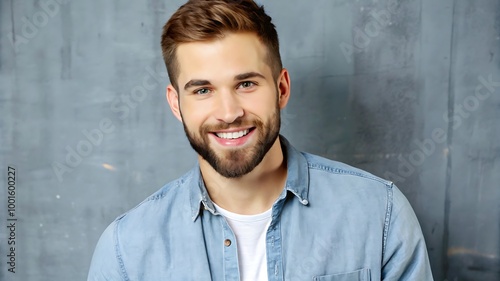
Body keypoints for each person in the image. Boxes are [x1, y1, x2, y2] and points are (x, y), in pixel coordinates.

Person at [87, 0, 434, 280]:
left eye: (246, 84)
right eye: (203, 90)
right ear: (176, 104)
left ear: (281, 88)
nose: (228, 112)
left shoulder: (379, 215)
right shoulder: (126, 251)